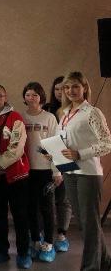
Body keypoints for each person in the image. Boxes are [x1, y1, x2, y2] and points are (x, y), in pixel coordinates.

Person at [59, 71, 111, 271]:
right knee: (85, 223)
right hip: (69, 171)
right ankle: (105, 262)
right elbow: (66, 142)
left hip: (88, 174)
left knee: (89, 224)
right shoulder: (65, 113)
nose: (70, 90)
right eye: (67, 87)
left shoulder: (92, 112)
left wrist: (79, 154)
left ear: (84, 88)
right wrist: (53, 153)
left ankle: (91, 267)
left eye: (75, 86)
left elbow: (107, 144)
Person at [0, 85, 31, 269]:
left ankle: (23, 253)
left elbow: (17, 148)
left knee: (20, 216)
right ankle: (2, 251)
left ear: (5, 97)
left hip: (16, 175)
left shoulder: (15, 117)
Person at [21, 82, 60, 262]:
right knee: (30, 207)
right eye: (28, 95)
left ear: (41, 97)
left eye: (35, 95)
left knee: (47, 208)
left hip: (45, 170)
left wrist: (57, 171)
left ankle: (49, 243)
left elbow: (57, 145)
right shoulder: (20, 117)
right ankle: (35, 240)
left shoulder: (50, 117)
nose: (31, 98)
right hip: (26, 171)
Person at [44, 76, 71, 252]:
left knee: (64, 200)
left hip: (68, 158)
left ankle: (62, 235)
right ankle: (44, 236)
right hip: (48, 160)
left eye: (63, 88)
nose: (60, 92)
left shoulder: (75, 110)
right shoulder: (47, 109)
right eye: (57, 89)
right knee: (46, 199)